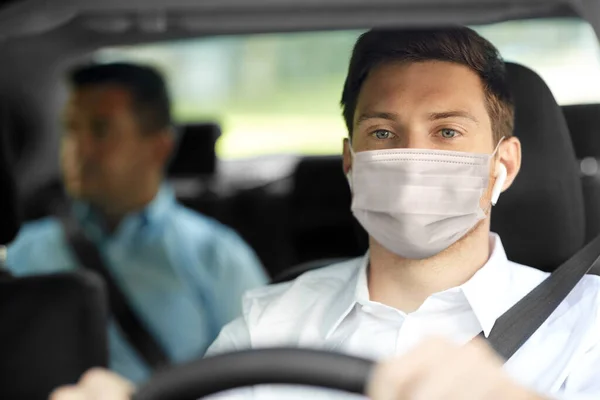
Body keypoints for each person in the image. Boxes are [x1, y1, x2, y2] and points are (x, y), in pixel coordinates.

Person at [49, 27, 600, 400]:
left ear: (501, 167)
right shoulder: (266, 325)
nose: (409, 157)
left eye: (447, 132)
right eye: (383, 133)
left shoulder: (587, 325)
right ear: (351, 163)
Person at [7, 62, 269, 383]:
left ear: (160, 146)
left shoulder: (217, 257)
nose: (79, 148)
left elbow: (261, 381)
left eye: (100, 130)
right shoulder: (19, 250)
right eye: (71, 129)